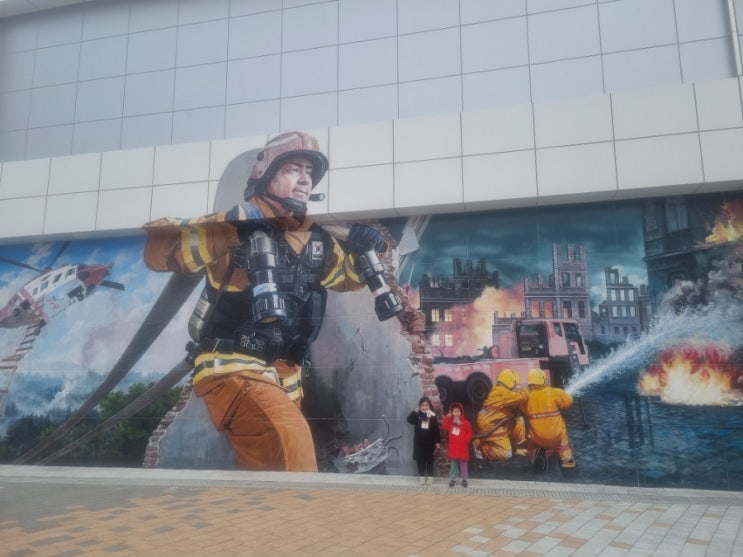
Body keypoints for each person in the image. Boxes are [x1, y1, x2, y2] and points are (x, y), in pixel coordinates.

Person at [143, 131, 400, 472]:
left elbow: (348, 278)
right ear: (265, 174)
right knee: (291, 446)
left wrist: (371, 248)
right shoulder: (236, 225)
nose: (305, 178)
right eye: (293, 168)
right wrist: (231, 228)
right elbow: (158, 252)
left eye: (309, 171)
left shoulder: (315, 239)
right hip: (235, 370)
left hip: (286, 378)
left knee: (282, 467)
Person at [521, 368, 576, 468]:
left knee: (532, 443)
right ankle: (567, 462)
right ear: (543, 380)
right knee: (563, 442)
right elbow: (569, 402)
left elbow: (523, 410)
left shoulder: (526, 398)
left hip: (538, 438)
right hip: (556, 436)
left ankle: (537, 454)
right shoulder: (555, 392)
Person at [473, 368, 528, 461]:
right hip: (490, 427)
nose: (515, 387)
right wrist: (525, 389)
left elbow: (508, 404)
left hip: (491, 423)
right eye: (515, 384)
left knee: (519, 419)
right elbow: (521, 397)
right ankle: (480, 447)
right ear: (511, 381)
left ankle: (519, 447)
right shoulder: (502, 392)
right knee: (506, 453)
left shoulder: (498, 390)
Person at [407, 396, 441, 485]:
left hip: (430, 442)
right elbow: (409, 420)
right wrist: (415, 411)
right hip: (419, 442)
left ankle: (430, 477)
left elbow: (436, 430)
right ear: (420, 406)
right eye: (423, 405)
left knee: (429, 460)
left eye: (427, 405)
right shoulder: (417, 415)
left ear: (429, 406)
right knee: (420, 460)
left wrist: (437, 441)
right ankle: (422, 476)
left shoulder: (432, 416)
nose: (425, 407)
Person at [440, 401, 472, 487]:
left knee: (463, 464)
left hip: (462, 447)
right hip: (453, 447)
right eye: (455, 411)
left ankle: (464, 479)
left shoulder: (465, 423)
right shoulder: (451, 422)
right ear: (452, 412)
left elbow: (469, 433)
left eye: (458, 411)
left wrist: (465, 440)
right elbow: (444, 427)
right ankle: (453, 478)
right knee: (453, 464)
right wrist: (447, 418)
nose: (457, 413)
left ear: (461, 412)